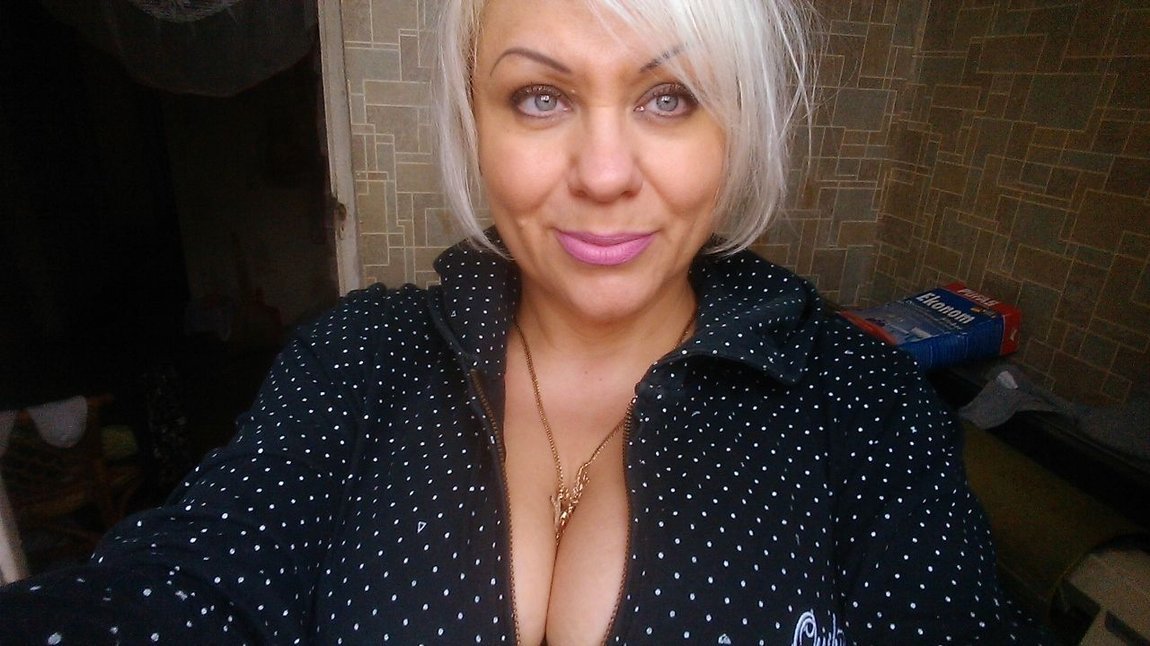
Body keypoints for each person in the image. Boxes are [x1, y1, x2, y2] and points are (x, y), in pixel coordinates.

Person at [0, 0, 1047, 643]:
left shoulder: (858, 403)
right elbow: (175, 589)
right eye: (541, 96)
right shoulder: (359, 360)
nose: (603, 173)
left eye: (670, 96)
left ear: (736, 125)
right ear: (476, 119)